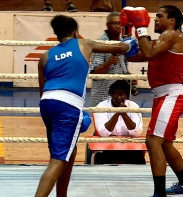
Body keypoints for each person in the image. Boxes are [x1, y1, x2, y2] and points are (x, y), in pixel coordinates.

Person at [35, 14, 138, 197]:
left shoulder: (45, 56)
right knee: (58, 159)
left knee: (69, 151)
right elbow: (120, 47)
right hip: (67, 105)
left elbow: (42, 92)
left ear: (57, 34)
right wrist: (131, 41)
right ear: (75, 32)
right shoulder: (84, 44)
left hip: (48, 105)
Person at [122, 5, 183, 197]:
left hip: (172, 95)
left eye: (159, 17)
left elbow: (147, 53)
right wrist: (126, 32)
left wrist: (140, 29)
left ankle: (159, 194)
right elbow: (137, 55)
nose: (155, 20)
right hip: (162, 96)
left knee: (152, 141)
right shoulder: (162, 39)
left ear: (171, 20)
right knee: (165, 144)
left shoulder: (172, 34)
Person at [90, 11, 139, 107]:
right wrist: (107, 63)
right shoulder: (101, 44)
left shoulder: (123, 43)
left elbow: (121, 67)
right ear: (108, 25)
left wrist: (128, 77)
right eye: (115, 23)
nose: (118, 26)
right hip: (104, 96)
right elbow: (94, 75)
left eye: (120, 23)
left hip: (120, 96)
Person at [92, 79, 145, 164]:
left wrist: (124, 114)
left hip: (130, 146)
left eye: (122, 94)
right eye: (116, 94)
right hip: (107, 146)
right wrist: (117, 114)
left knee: (138, 156)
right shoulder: (101, 106)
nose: (119, 98)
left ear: (127, 95)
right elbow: (103, 133)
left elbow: (136, 133)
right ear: (111, 95)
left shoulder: (134, 106)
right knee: (101, 157)